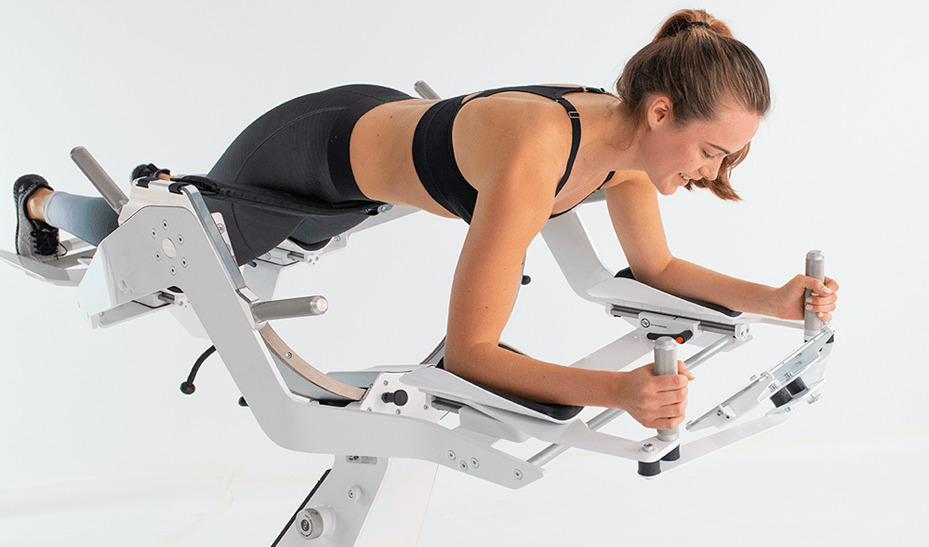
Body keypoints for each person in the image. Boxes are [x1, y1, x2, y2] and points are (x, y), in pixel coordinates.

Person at [11, 9, 838, 431]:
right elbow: (472, 353)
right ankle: (39, 202)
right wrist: (617, 391)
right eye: (712, 152)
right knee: (152, 246)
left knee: (216, 234)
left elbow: (655, 269)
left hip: (368, 157)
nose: (712, 173)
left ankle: (165, 192)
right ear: (661, 112)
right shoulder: (538, 155)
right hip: (307, 154)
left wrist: (775, 298)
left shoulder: (625, 149)